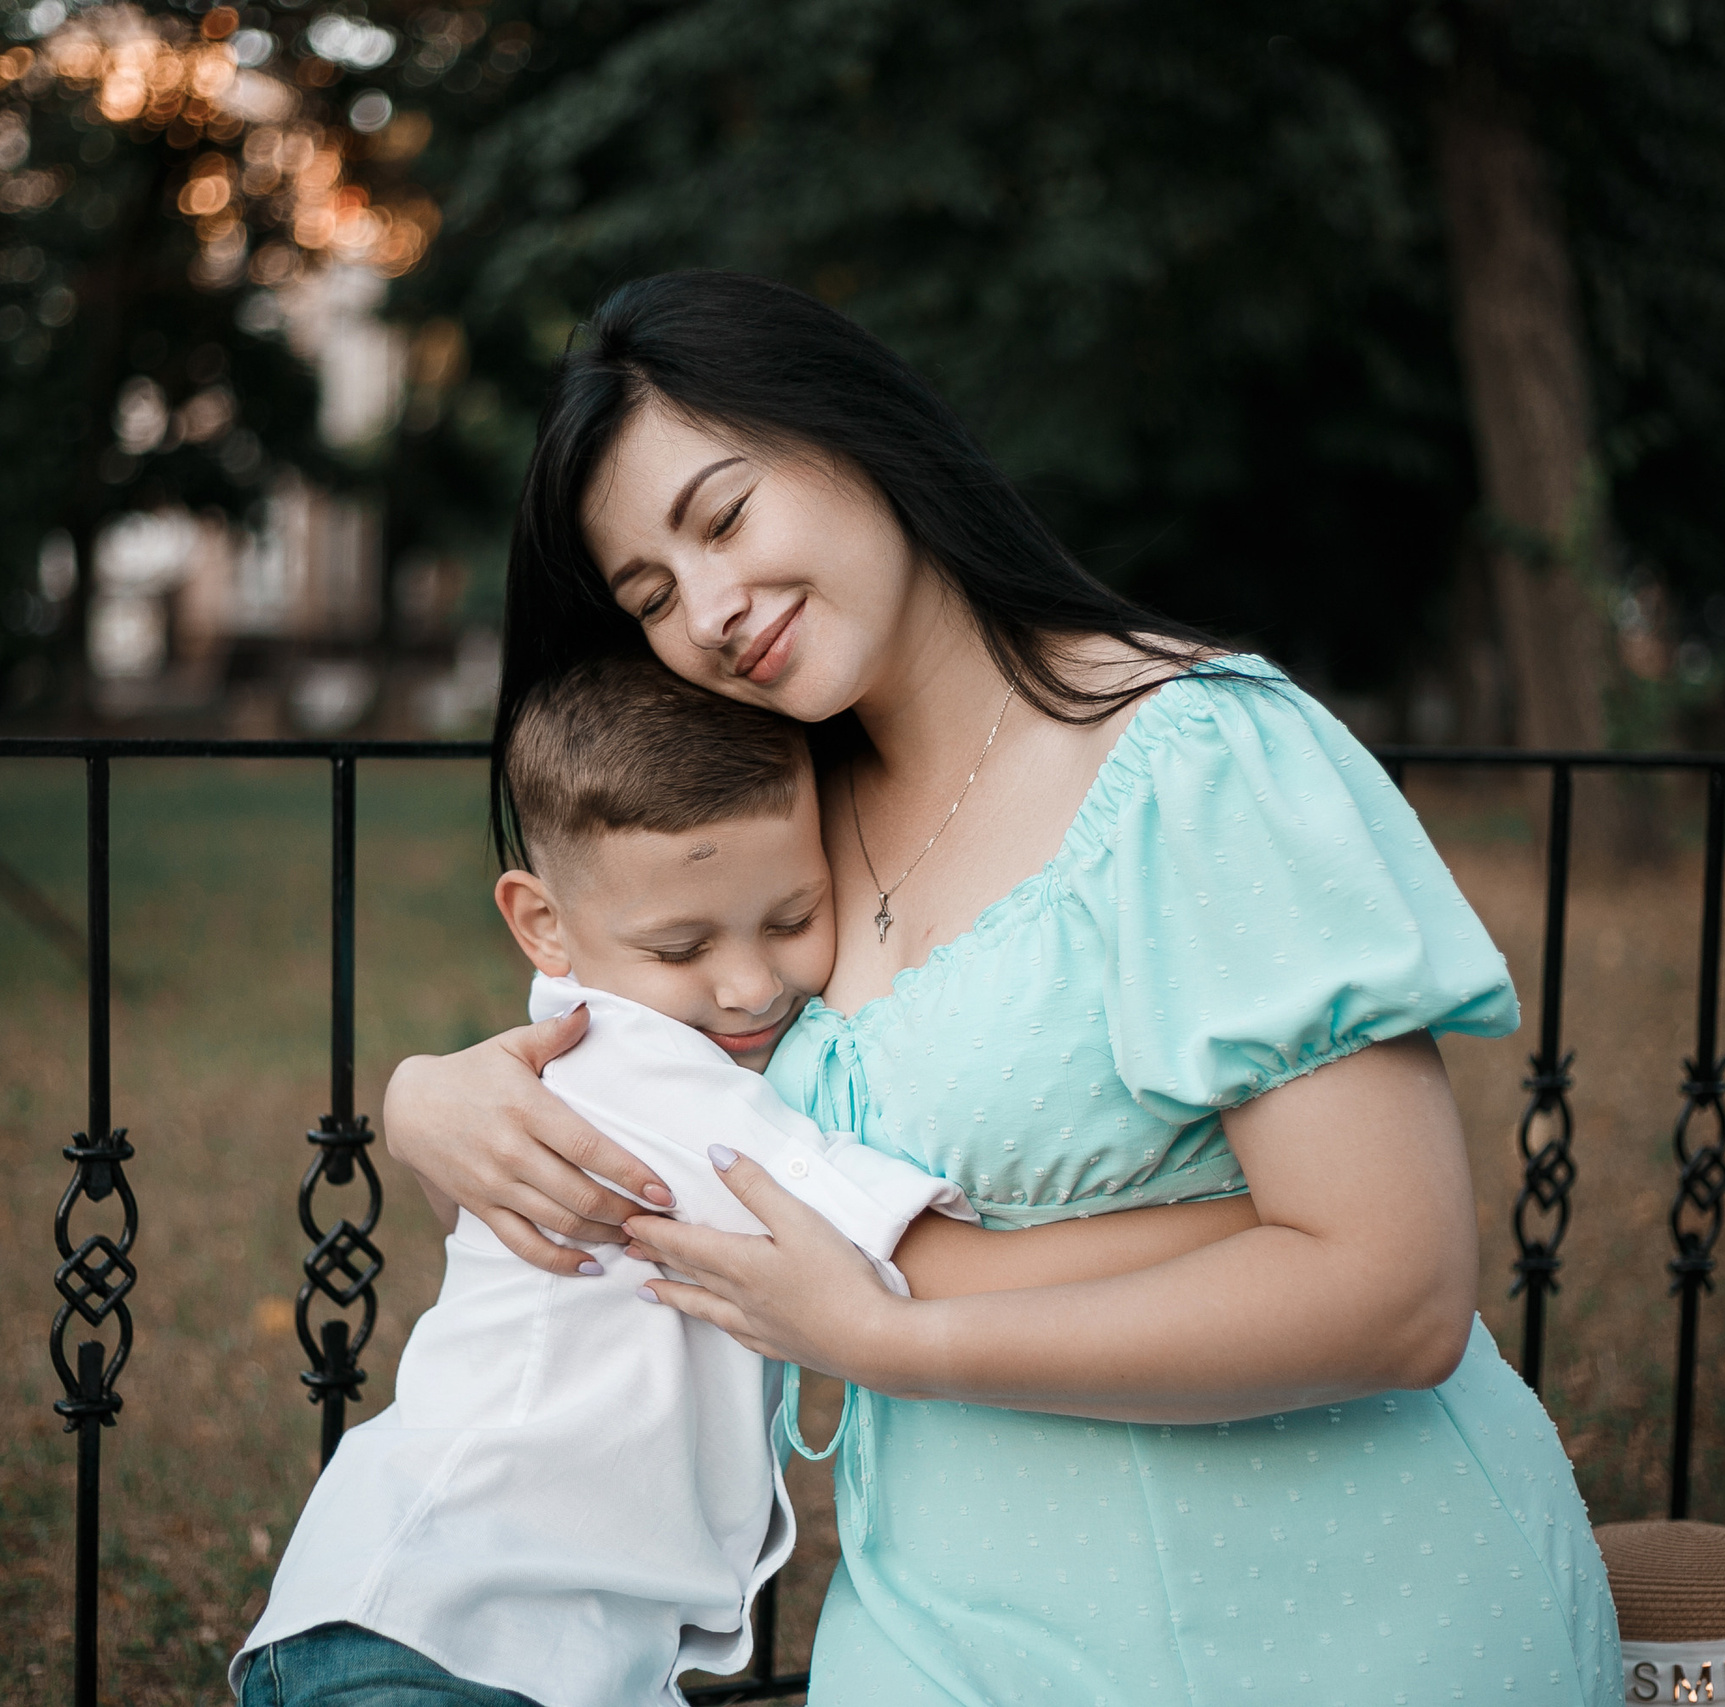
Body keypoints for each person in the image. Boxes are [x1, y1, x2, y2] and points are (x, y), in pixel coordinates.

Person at [384, 270, 1622, 1704]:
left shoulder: (1195, 760)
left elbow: (1395, 1290)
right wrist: (429, 1104)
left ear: (858, 433)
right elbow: (619, 1164)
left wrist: (891, 1337)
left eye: (723, 516)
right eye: (651, 594)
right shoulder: (768, 839)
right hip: (939, 1631)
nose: (710, 609)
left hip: (1325, 1619)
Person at [238, 654, 1260, 1707]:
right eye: (682, 944)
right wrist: (1250, 1230)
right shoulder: (663, 1090)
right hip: (432, 1638)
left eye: (788, 920)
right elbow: (937, 1266)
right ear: (541, 922)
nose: (746, 984)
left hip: (508, 1637)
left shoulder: (583, 1031)